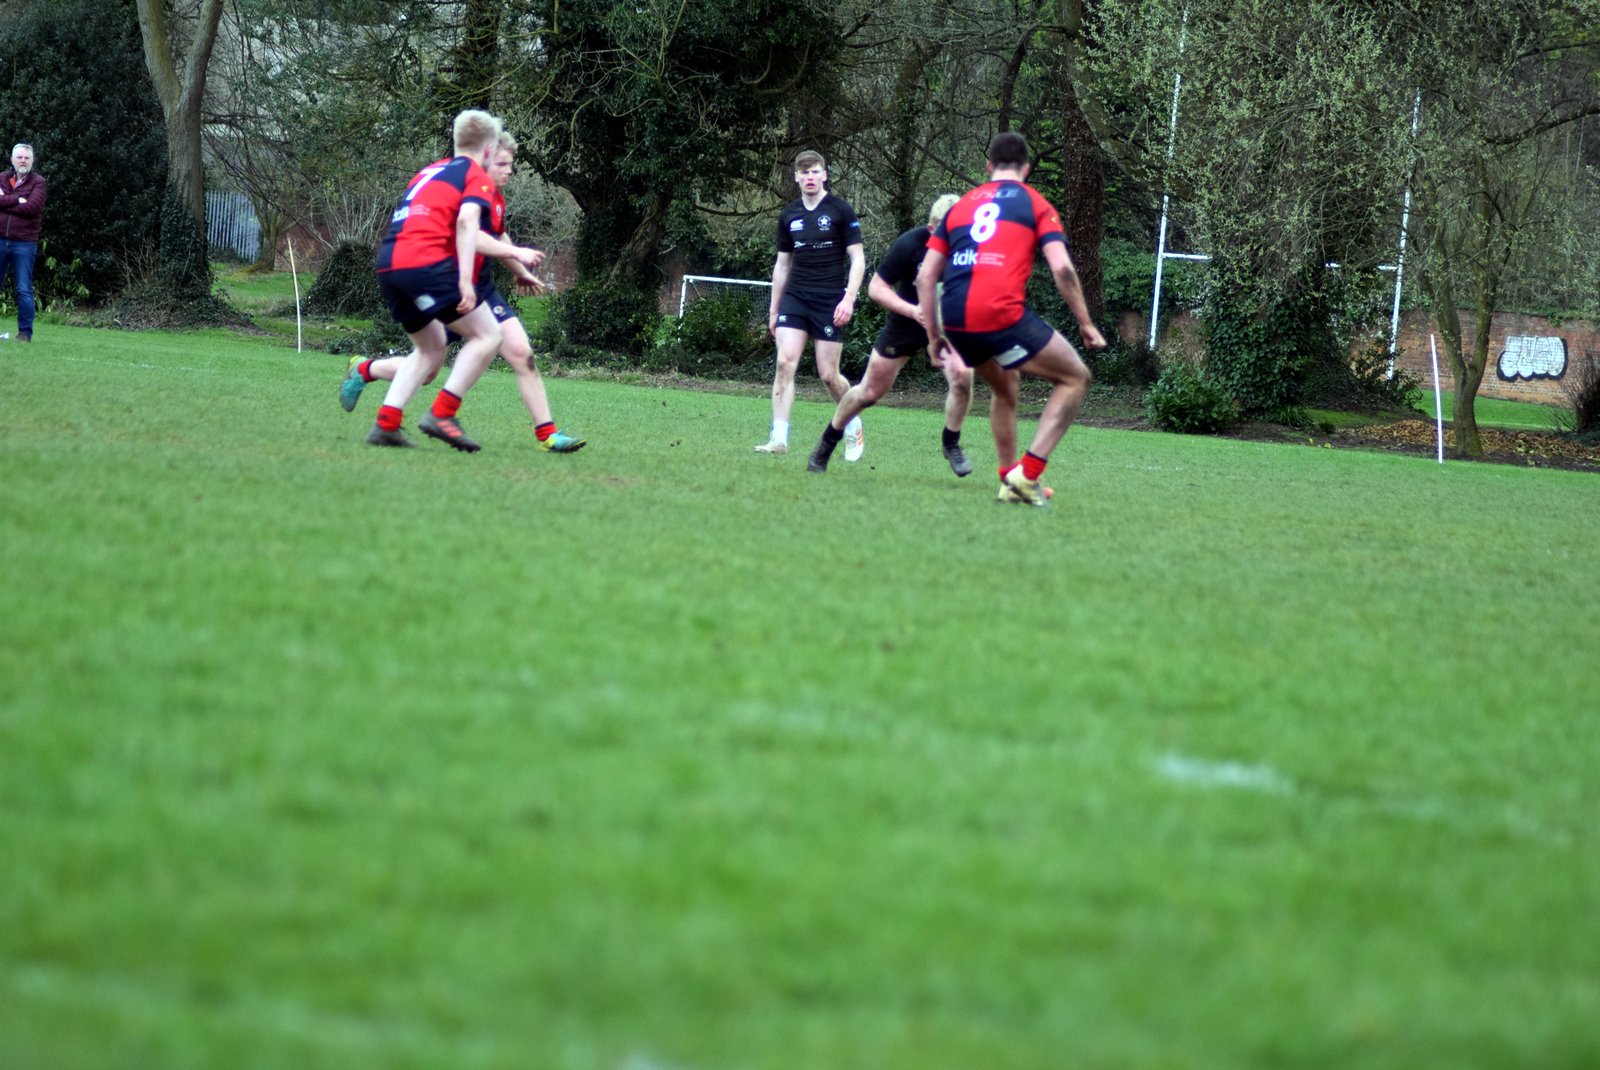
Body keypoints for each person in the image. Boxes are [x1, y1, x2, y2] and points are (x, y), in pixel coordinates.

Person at [341, 131, 586, 453]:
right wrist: (516, 253)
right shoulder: (465, 185)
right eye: (501, 163)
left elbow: (498, 235)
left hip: (479, 288)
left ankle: (548, 435)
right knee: (428, 368)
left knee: (521, 353)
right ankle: (367, 370)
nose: (509, 170)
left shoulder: (494, 198)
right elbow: (473, 235)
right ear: (484, 157)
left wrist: (521, 272)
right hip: (450, 283)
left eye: (510, 164)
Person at [915, 132, 1106, 506]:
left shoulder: (961, 206)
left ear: (989, 167)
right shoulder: (1035, 203)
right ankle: (1027, 474)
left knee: (1006, 385)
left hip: (956, 320)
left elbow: (925, 277)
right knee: (1075, 377)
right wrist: (1085, 322)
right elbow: (1062, 269)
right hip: (997, 313)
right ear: (1026, 168)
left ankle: (1008, 479)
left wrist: (934, 337)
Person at [366, 109, 541, 450]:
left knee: (430, 349)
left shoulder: (430, 171)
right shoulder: (476, 175)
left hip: (390, 265)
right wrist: (464, 281)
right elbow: (466, 223)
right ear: (488, 149)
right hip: (426, 265)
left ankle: (386, 425)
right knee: (489, 335)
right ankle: (442, 414)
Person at [806, 193, 976, 476]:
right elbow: (876, 288)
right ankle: (826, 444)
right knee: (869, 392)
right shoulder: (910, 244)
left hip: (947, 325)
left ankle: (951, 444)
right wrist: (913, 311)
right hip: (907, 322)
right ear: (932, 229)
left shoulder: (972, 247)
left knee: (962, 377)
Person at [756, 149, 866, 457]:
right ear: (796, 177)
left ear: (824, 175)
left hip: (829, 301)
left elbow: (857, 259)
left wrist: (848, 299)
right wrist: (774, 310)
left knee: (828, 375)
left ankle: (852, 423)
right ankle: (779, 439)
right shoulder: (789, 215)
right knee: (784, 363)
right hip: (796, 299)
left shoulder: (840, 210)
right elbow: (782, 266)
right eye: (804, 173)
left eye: (815, 171)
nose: (810, 177)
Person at [0, 143, 47, 343]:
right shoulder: (2, 178)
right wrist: (18, 199)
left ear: (32, 161)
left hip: (24, 243)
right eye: (19, 157)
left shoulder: (39, 182)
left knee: (23, 288)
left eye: (27, 158)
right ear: (12, 159)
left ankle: (24, 334)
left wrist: (6, 200)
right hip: (0, 240)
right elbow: (23, 205)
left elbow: (32, 208)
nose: (23, 161)